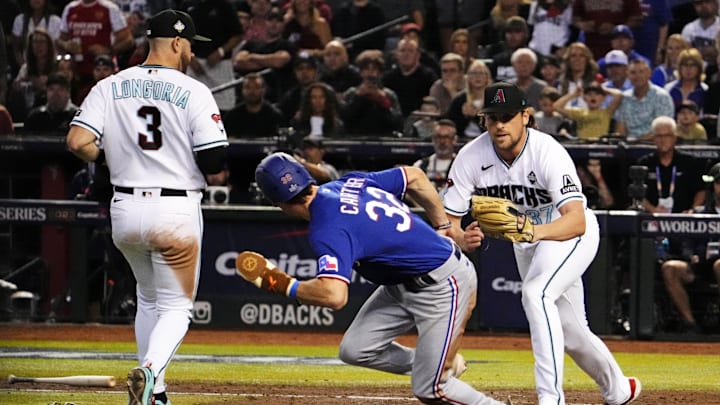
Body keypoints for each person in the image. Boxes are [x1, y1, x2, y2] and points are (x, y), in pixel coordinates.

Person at [247, 151, 510, 405]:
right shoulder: (350, 182)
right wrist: (443, 225)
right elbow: (415, 176)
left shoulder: (326, 227)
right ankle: (436, 361)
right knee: (355, 349)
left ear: (277, 203)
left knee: (431, 388)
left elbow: (334, 296)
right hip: (401, 283)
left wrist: (283, 285)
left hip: (443, 285)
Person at [442, 81, 641, 405]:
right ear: (484, 121)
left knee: (536, 293)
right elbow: (447, 220)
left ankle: (551, 399)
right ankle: (619, 390)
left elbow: (575, 219)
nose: (500, 124)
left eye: (508, 116)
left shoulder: (547, 151)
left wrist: (533, 231)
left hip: (569, 233)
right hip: (527, 242)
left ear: (526, 116)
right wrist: (462, 237)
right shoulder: (471, 156)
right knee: (573, 332)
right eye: (493, 118)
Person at [65, 9, 228, 405]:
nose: (191, 52)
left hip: (124, 209)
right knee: (177, 307)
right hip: (174, 209)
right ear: (176, 43)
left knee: (149, 299)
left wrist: (114, 156)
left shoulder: (110, 85)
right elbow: (213, 160)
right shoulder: (193, 90)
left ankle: (154, 395)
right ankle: (151, 372)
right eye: (189, 44)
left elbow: (77, 142)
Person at [660, 161, 720, 333]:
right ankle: (691, 324)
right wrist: (690, 255)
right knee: (670, 268)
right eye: (718, 183)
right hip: (700, 265)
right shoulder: (698, 213)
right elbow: (685, 243)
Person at [636, 116, 706, 214]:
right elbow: (638, 195)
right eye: (659, 136)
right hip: (652, 219)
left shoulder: (690, 162)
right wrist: (653, 211)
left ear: (674, 138)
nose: (662, 140)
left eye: (667, 136)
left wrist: (692, 210)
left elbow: (701, 191)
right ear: (653, 139)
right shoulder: (644, 163)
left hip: (684, 219)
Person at [183, 0, 244, 112]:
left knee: (225, 107)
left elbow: (238, 34)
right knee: (191, 107)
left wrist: (221, 52)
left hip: (220, 65)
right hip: (194, 65)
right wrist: (190, 58)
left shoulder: (224, 5)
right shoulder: (187, 4)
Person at [341, 49, 403, 136]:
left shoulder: (389, 95)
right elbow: (345, 119)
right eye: (366, 69)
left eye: (374, 69)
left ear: (380, 73)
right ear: (361, 72)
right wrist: (358, 97)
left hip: (383, 141)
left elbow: (397, 123)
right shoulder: (352, 93)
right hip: (356, 140)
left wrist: (382, 100)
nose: (370, 73)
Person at [615, 59, 675, 141]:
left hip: (654, 146)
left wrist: (637, 142)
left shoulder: (662, 96)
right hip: (628, 148)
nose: (637, 76)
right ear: (628, 76)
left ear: (649, 73)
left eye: (641, 72)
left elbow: (662, 129)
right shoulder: (624, 98)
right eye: (633, 73)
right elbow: (620, 128)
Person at [382, 37, 438, 118]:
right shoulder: (388, 78)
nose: (406, 54)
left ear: (418, 55)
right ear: (396, 54)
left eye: (410, 51)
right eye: (402, 50)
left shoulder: (429, 77)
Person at [553, 81, 624, 141]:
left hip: (600, 145)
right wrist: (573, 95)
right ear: (584, 98)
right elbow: (556, 106)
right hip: (583, 145)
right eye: (589, 94)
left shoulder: (607, 112)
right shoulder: (579, 112)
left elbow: (619, 95)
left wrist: (602, 89)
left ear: (603, 98)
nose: (593, 97)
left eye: (597, 94)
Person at [223, 72, 283, 138]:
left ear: (263, 90)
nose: (252, 91)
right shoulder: (232, 116)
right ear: (242, 90)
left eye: (256, 87)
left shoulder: (274, 116)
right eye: (247, 87)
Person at [412, 118, 457, 191]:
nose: (442, 142)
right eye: (438, 137)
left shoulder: (461, 166)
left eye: (446, 137)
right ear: (433, 139)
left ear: (454, 140)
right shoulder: (419, 166)